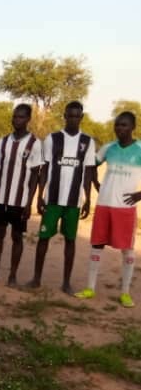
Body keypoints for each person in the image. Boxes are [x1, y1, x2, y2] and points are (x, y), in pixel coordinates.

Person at [28, 101, 96, 293]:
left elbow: (88, 172)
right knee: (43, 238)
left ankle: (66, 282)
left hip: (74, 201)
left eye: (77, 116)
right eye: (70, 115)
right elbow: (45, 168)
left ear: (81, 117)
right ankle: (36, 278)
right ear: (65, 116)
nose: (73, 119)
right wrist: (40, 195)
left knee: (70, 240)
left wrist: (88, 198)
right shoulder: (53, 139)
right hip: (53, 199)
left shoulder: (88, 142)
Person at [75, 112, 141, 308]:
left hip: (125, 208)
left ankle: (125, 292)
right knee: (97, 244)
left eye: (124, 125)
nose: (120, 128)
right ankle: (90, 288)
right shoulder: (108, 148)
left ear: (133, 127)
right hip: (104, 204)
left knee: (127, 249)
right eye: (117, 125)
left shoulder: (139, 149)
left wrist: (140, 194)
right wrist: (95, 181)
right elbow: (91, 165)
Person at [0, 104, 43, 286]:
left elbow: (35, 175)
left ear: (28, 119)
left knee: (17, 237)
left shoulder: (34, 143)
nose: (16, 120)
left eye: (21, 117)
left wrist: (29, 203)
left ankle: (12, 275)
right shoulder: (3, 142)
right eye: (14, 116)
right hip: (1, 198)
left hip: (20, 200)